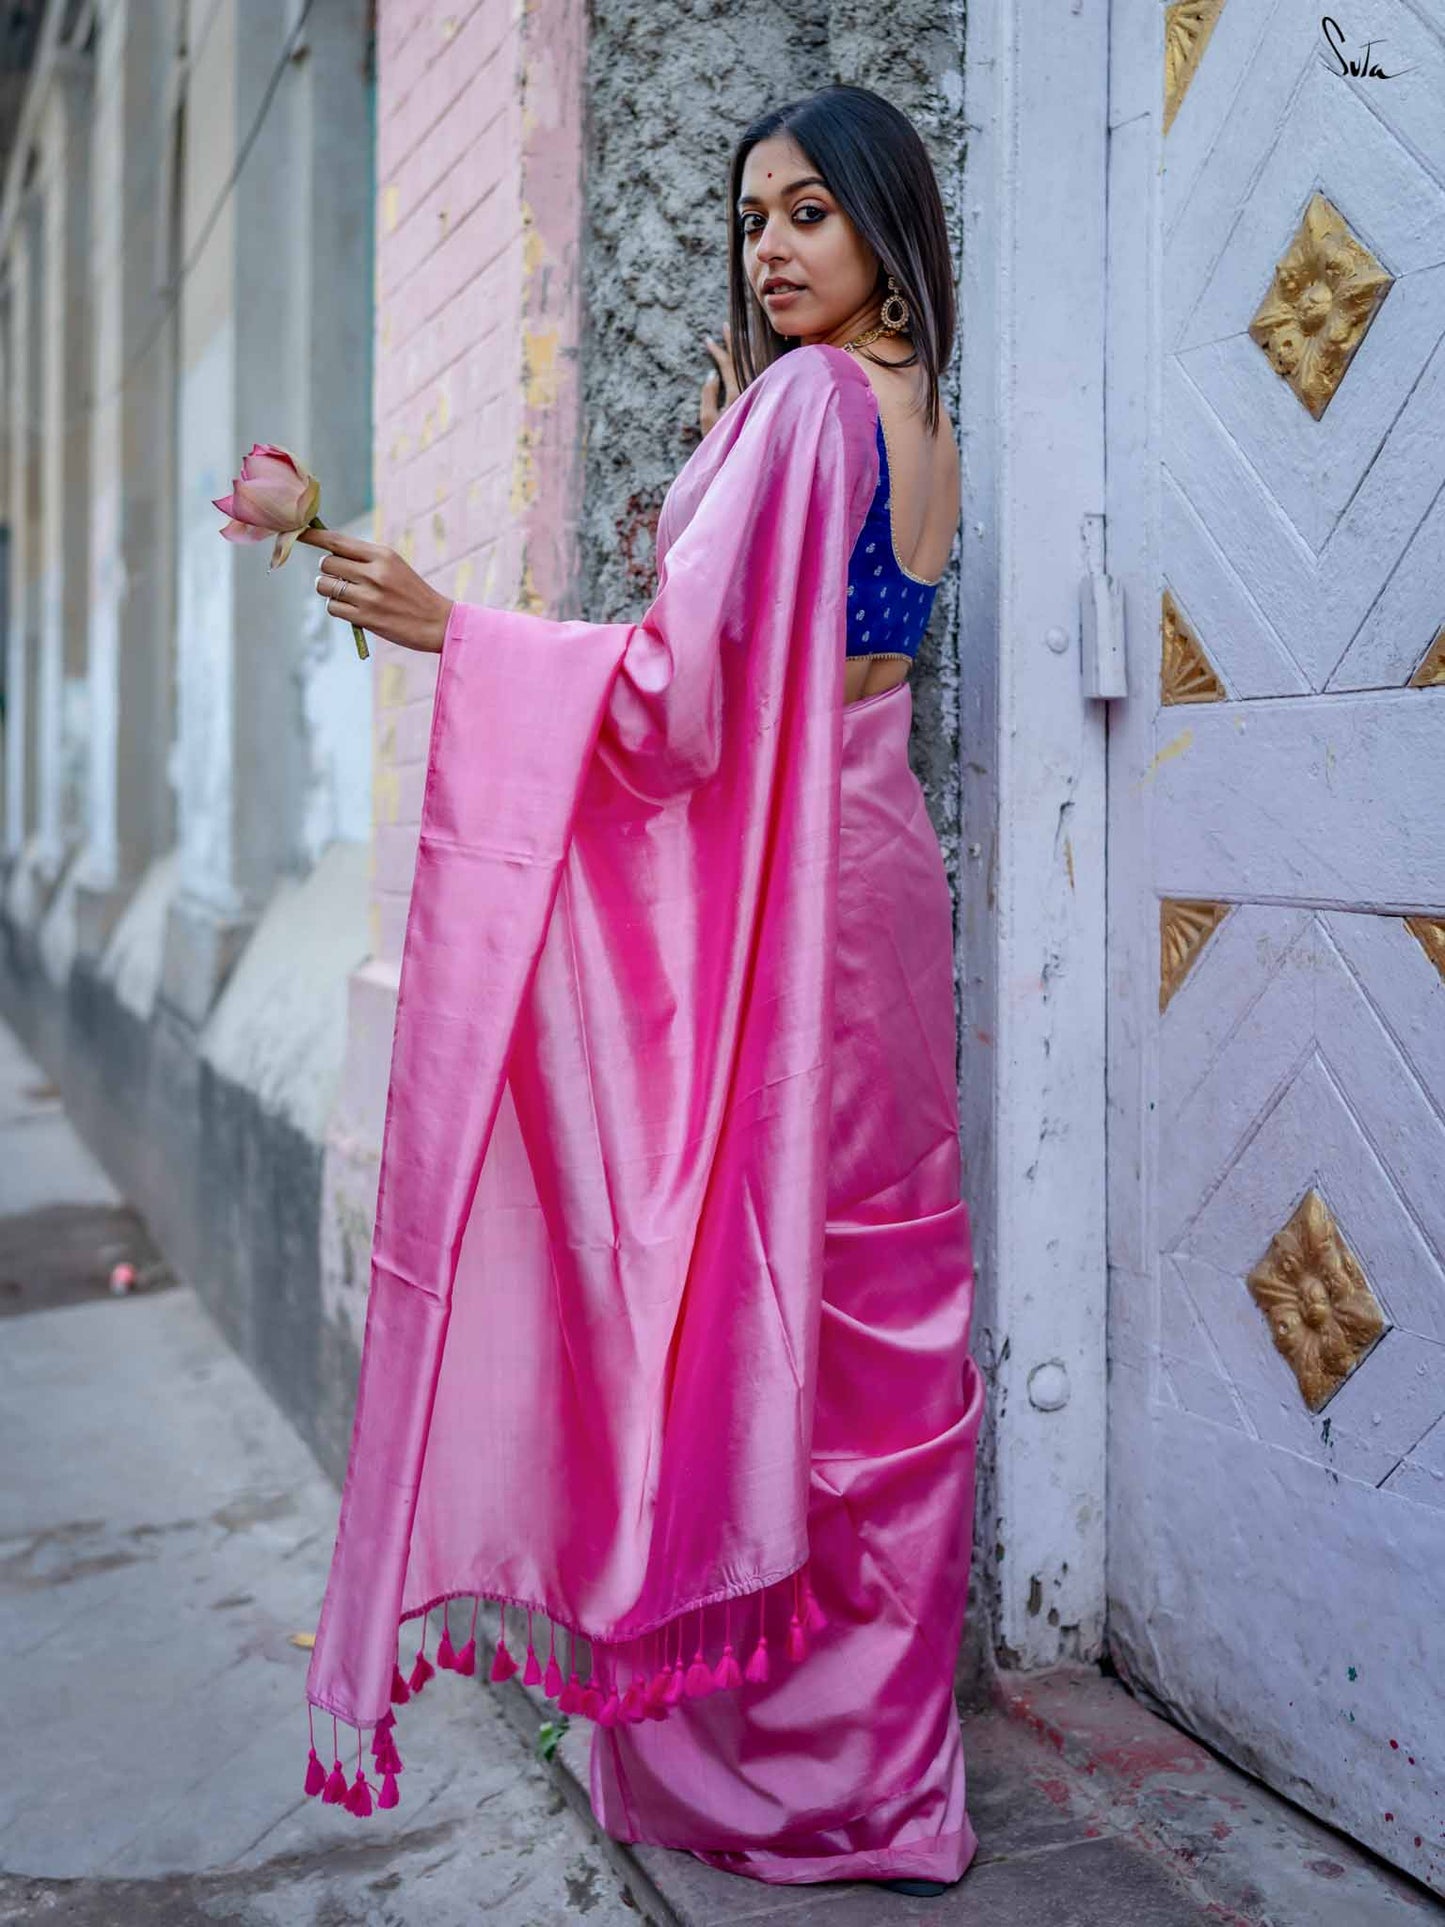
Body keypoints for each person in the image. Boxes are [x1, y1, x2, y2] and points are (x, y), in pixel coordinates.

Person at [299, 83, 984, 1899]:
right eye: (752, 218)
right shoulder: (920, 409)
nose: (768, 248)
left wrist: (456, 630)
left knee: (765, 1292)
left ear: (886, 223)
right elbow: (805, 641)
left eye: (808, 213)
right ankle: (889, 1768)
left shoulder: (806, 405)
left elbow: (684, 700)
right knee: (884, 1300)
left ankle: (774, 1764)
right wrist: (716, 481)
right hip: (878, 869)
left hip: (795, 897)